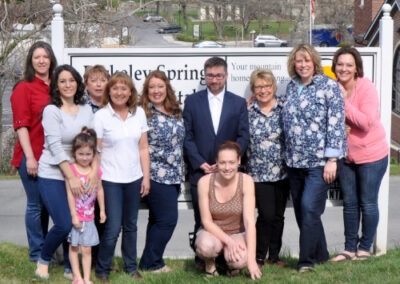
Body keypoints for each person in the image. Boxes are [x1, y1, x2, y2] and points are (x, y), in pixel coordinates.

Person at [282, 43, 346, 272]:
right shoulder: (291, 87)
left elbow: (336, 123)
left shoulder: (328, 86)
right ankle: (321, 254)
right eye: (299, 60)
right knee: (302, 211)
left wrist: (332, 159)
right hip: (293, 162)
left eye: (307, 60)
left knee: (309, 208)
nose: (303, 64)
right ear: (294, 63)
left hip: (318, 163)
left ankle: (306, 261)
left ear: (314, 62)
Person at [183, 57, 249, 266]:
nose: (214, 79)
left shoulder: (237, 103)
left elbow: (243, 136)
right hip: (200, 171)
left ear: (226, 76)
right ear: (205, 76)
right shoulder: (192, 102)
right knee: (202, 218)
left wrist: (227, 164)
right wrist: (199, 162)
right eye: (210, 75)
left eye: (219, 75)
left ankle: (228, 259)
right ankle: (203, 259)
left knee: (231, 218)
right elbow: (187, 136)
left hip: (229, 173)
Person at [35, 65, 95, 280]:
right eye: (62, 81)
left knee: (79, 221)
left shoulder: (86, 109)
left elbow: (92, 143)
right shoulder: (52, 110)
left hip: (79, 173)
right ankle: (43, 259)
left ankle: (71, 267)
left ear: (78, 83)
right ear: (56, 86)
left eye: (71, 80)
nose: (67, 85)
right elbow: (55, 146)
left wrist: (91, 173)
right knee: (64, 223)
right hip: (52, 172)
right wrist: (71, 177)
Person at [330, 46, 388, 262]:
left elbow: (365, 123)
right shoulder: (332, 87)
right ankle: (349, 249)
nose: (343, 68)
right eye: (340, 64)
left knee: (368, 203)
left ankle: (364, 248)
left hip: (372, 155)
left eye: (348, 65)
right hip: (346, 156)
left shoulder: (366, 88)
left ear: (356, 69)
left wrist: (343, 102)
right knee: (350, 204)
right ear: (334, 66)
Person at [94, 72, 150, 282]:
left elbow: (143, 148)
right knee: (112, 226)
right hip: (110, 180)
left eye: (124, 88)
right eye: (115, 88)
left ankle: (130, 267)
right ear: (109, 92)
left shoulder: (139, 114)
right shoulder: (101, 116)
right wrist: (96, 181)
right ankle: (102, 270)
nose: (119, 92)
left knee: (131, 226)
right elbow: (96, 152)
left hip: (134, 178)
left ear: (130, 92)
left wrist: (146, 177)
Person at [10, 41, 57, 263]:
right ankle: (36, 253)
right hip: (32, 156)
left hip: (53, 157)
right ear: (31, 60)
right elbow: (21, 125)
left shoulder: (56, 86)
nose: (41, 61)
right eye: (37, 57)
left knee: (48, 206)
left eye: (45, 56)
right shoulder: (24, 87)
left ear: (51, 60)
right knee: (36, 205)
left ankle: (46, 249)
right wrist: (30, 157)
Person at [138, 70, 184, 273]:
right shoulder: (142, 113)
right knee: (167, 220)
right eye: (152, 87)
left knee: (157, 220)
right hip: (155, 174)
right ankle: (152, 262)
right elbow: (141, 147)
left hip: (174, 175)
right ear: (146, 91)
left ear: (167, 88)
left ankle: (150, 262)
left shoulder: (175, 111)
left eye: (160, 86)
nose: (156, 91)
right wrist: (146, 176)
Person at [195, 141, 262, 280]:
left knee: (240, 259)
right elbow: (206, 222)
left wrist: (251, 260)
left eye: (231, 162)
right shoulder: (204, 182)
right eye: (223, 162)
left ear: (239, 161)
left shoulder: (247, 181)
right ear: (216, 162)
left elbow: (250, 222)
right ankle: (210, 265)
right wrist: (229, 242)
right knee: (205, 246)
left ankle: (231, 267)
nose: (227, 167)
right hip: (213, 233)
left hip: (238, 233)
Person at [246, 69, 290, 268]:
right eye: (259, 86)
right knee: (266, 215)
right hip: (257, 173)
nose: (263, 90)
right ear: (253, 89)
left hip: (283, 171)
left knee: (279, 216)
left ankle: (275, 255)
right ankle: (258, 255)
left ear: (274, 87)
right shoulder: (247, 111)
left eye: (267, 86)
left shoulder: (285, 107)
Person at [66, 127, 106, 284]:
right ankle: (77, 277)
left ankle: (87, 278)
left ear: (93, 155)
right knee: (74, 247)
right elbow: (69, 194)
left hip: (89, 218)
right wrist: (73, 215)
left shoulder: (96, 171)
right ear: (74, 153)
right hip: (76, 217)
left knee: (87, 249)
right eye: (80, 154)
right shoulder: (71, 170)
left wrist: (102, 210)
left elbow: (100, 190)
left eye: (88, 154)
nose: (84, 157)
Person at [82, 64, 110, 267]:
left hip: (110, 169)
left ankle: (100, 260)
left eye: (102, 80)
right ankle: (83, 259)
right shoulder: (83, 108)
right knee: (86, 215)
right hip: (88, 169)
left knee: (104, 217)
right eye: (94, 80)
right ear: (86, 84)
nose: (99, 84)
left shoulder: (113, 105)